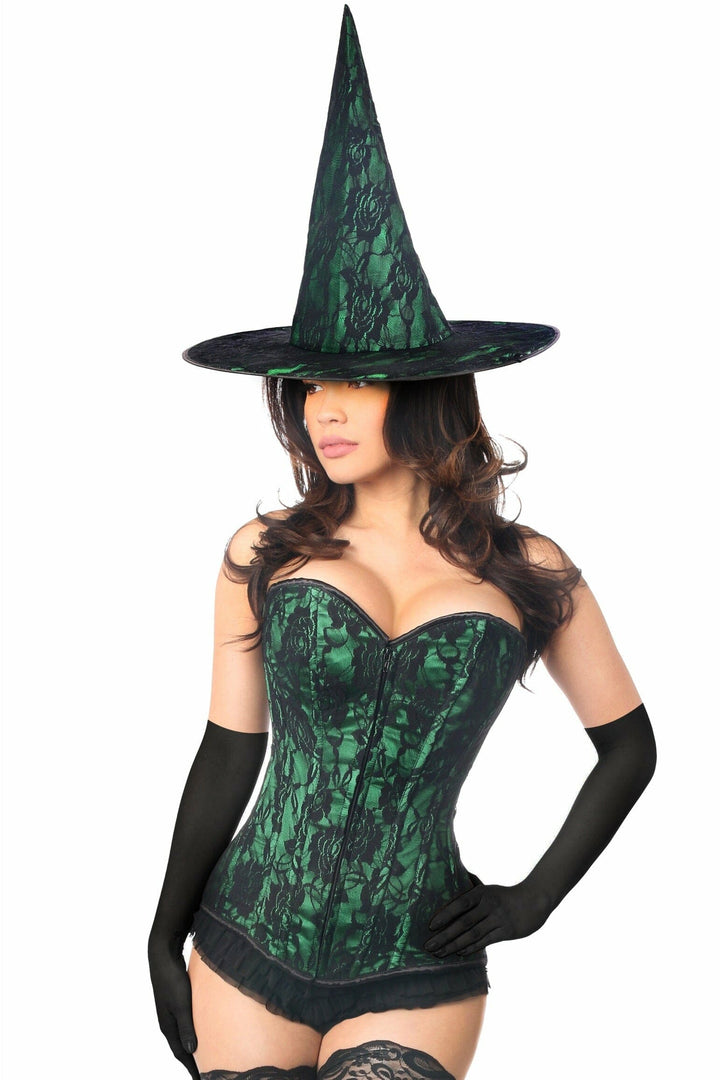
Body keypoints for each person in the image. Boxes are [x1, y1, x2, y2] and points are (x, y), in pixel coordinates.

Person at [148, 8, 657, 1080]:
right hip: (242, 939)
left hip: (418, 960)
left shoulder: (531, 571)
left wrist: (531, 900)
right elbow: (229, 751)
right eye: (308, 386)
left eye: (357, 384)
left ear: (424, 390)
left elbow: (630, 749)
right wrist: (160, 932)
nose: (323, 410)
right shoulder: (263, 555)